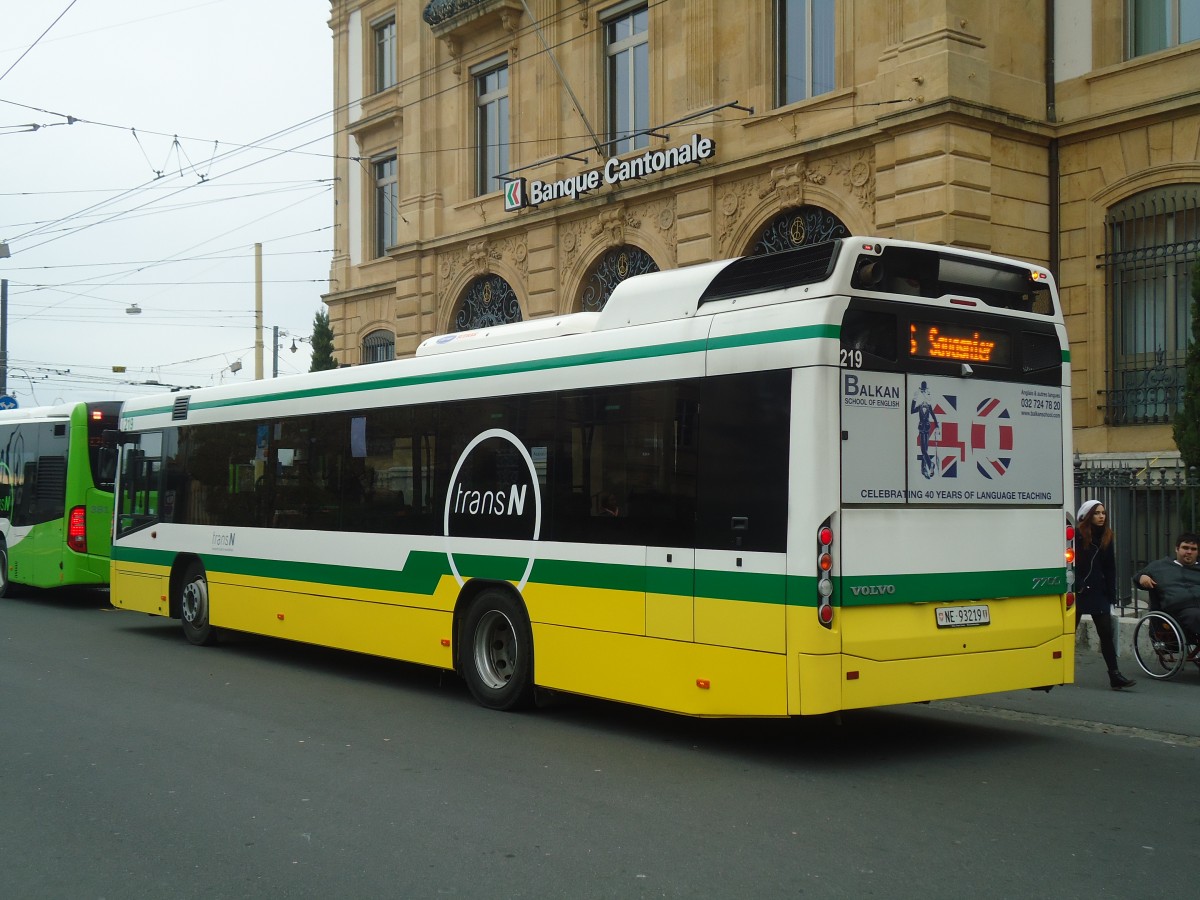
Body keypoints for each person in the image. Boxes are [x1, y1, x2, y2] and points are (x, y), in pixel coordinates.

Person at [1074, 500, 1136, 689]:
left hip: (1098, 591)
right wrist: (1077, 584)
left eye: (1103, 513)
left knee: (1106, 634)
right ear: (1087, 516)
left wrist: (1111, 594)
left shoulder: (1107, 536)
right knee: (1069, 632)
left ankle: (1115, 675)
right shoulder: (1077, 535)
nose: (1101, 516)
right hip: (1079, 591)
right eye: (1097, 513)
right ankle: (1054, 670)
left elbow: (1110, 567)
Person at [1133, 532, 1200, 640]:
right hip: (1179, 609)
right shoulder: (1159, 566)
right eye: (1185, 548)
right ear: (1177, 549)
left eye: (1193, 549)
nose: (1189, 552)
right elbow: (1137, 577)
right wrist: (1143, 577)